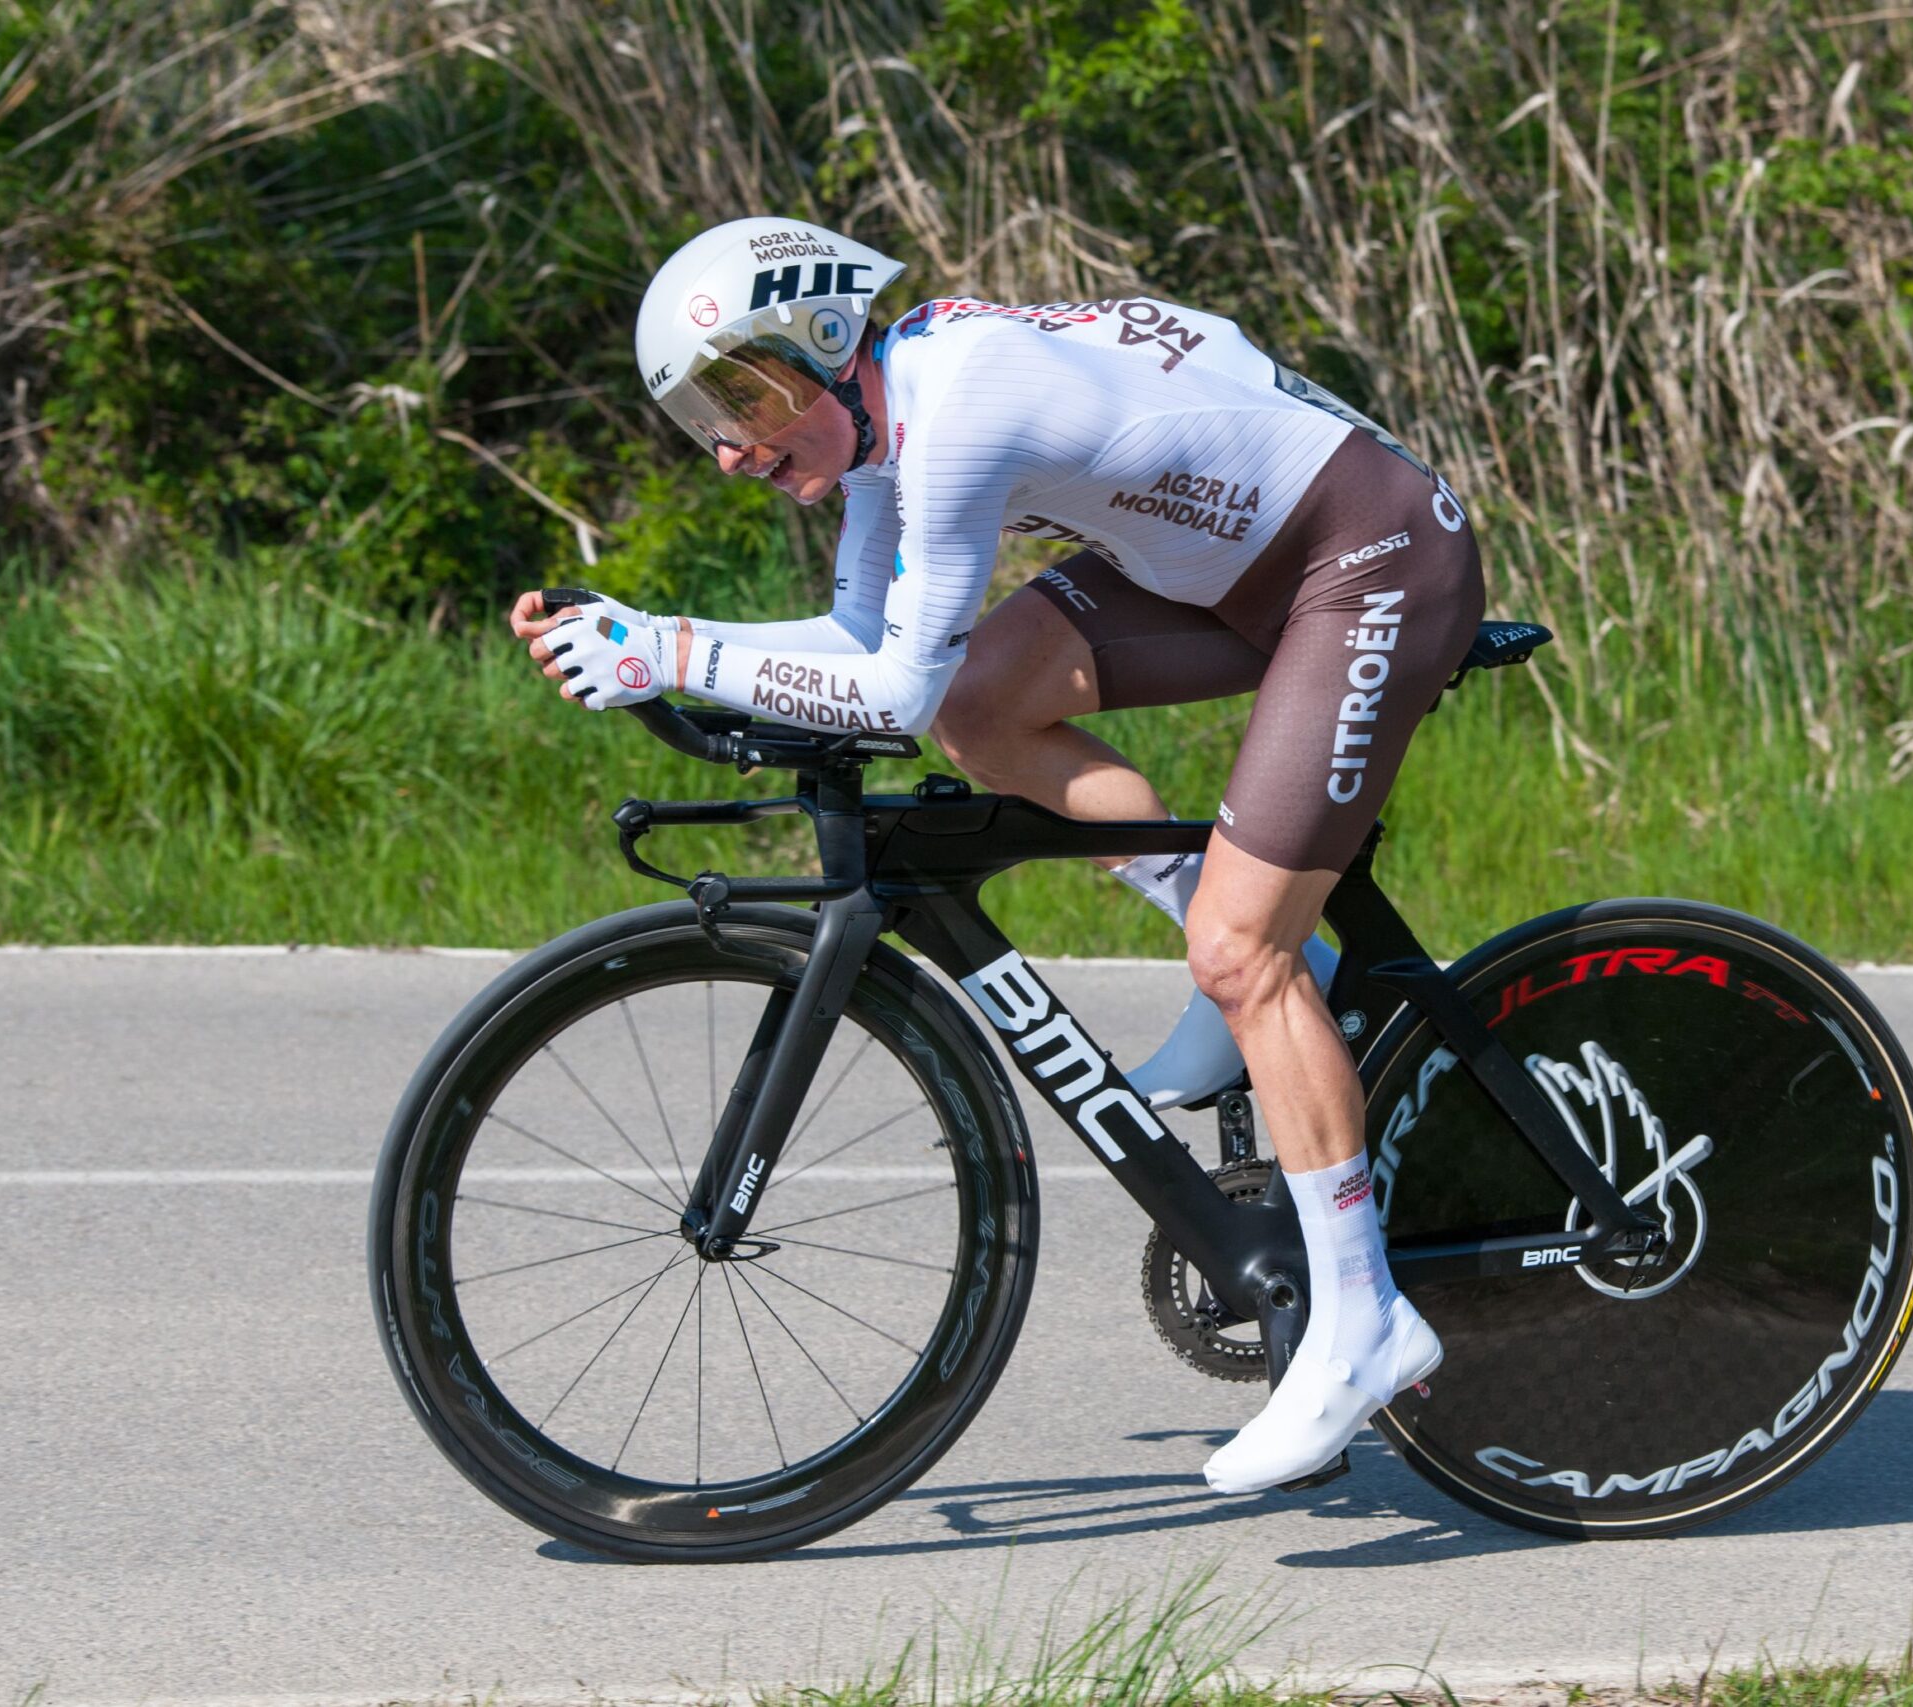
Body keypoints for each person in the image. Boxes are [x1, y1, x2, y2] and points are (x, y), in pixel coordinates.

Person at [509, 217, 1484, 1494]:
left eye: (743, 399)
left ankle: (1362, 1321)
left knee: (1248, 951)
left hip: (1369, 561)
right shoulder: (885, 423)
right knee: (988, 709)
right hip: (1225, 564)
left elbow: (887, 692)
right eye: (704, 424)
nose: (735, 451)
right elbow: (862, 647)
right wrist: (657, 652)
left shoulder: (963, 407)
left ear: (823, 342)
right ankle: (1215, 949)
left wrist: (672, 648)